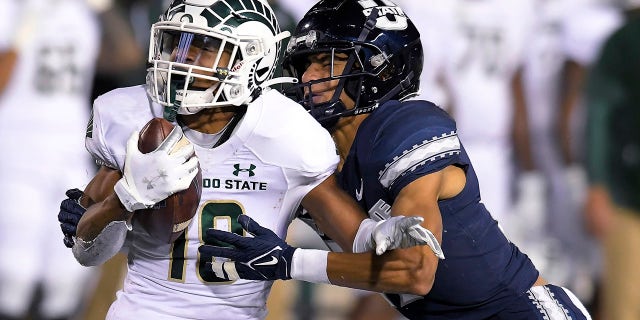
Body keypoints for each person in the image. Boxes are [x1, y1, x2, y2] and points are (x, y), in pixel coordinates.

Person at [200, 0, 594, 319]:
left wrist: (291, 263)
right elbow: (362, 247)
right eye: (305, 65)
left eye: (328, 62)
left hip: (516, 312)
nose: (308, 78)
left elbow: (414, 271)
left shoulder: (407, 126)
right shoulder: (315, 148)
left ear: (380, 67)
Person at [56, 0, 433, 319]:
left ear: (249, 60)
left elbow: (360, 245)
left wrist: (378, 233)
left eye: (203, 47)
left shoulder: (291, 135)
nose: (182, 59)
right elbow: (88, 253)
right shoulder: (131, 114)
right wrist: (123, 200)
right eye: (177, 43)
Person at [0, 0, 100, 319]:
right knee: (13, 273)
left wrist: (107, 12)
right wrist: (17, 38)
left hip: (71, 153)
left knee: (67, 274)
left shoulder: (79, 10)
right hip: (17, 151)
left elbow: (125, 57)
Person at [583, 1, 640, 319]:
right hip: (629, 197)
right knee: (624, 307)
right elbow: (599, 116)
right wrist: (598, 186)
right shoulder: (624, 41)